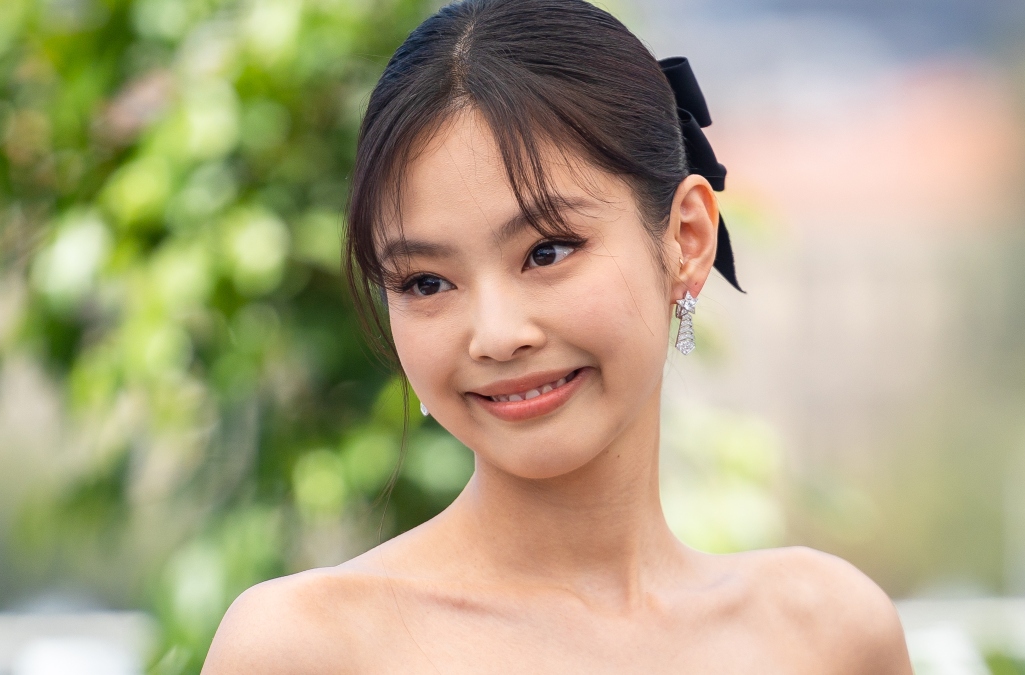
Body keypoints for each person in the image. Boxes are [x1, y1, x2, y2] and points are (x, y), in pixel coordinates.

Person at [203, 0, 913, 672]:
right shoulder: (306, 649)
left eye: (547, 252)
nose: (497, 335)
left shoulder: (826, 635)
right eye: (425, 282)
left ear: (688, 239)